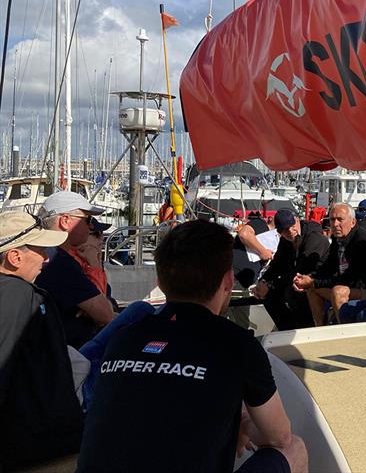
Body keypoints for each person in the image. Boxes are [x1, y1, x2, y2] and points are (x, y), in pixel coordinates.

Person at [77, 220, 308, 473]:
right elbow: (279, 437)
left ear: (160, 282)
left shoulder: (123, 338)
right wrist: (243, 421)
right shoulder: (237, 344)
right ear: (228, 281)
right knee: (293, 448)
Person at [0, 211, 84, 469]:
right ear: (15, 257)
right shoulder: (16, 294)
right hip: (37, 449)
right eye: (40, 250)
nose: (46, 259)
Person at [36, 191, 116, 348]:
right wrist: (94, 264)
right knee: (139, 310)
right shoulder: (59, 263)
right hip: (71, 351)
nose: (91, 226)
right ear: (65, 221)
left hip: (53, 346)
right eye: (87, 220)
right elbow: (105, 315)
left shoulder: (45, 253)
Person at [293, 203, 366, 325]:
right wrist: (308, 278)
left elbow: (350, 277)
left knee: (338, 292)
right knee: (311, 289)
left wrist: (313, 281)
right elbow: (327, 266)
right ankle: (321, 329)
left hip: (365, 289)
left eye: (340, 220)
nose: (335, 224)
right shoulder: (337, 240)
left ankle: (343, 333)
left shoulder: (362, 240)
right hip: (346, 284)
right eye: (332, 219)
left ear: (353, 222)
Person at [252, 209, 329, 330]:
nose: (290, 231)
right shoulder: (286, 239)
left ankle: (304, 330)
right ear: (279, 232)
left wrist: (271, 284)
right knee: (270, 296)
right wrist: (263, 281)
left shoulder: (314, 237)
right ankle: (287, 330)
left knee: (293, 293)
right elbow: (277, 264)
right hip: (298, 278)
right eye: (284, 230)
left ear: (297, 221)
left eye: (292, 226)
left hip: (316, 278)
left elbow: (303, 268)